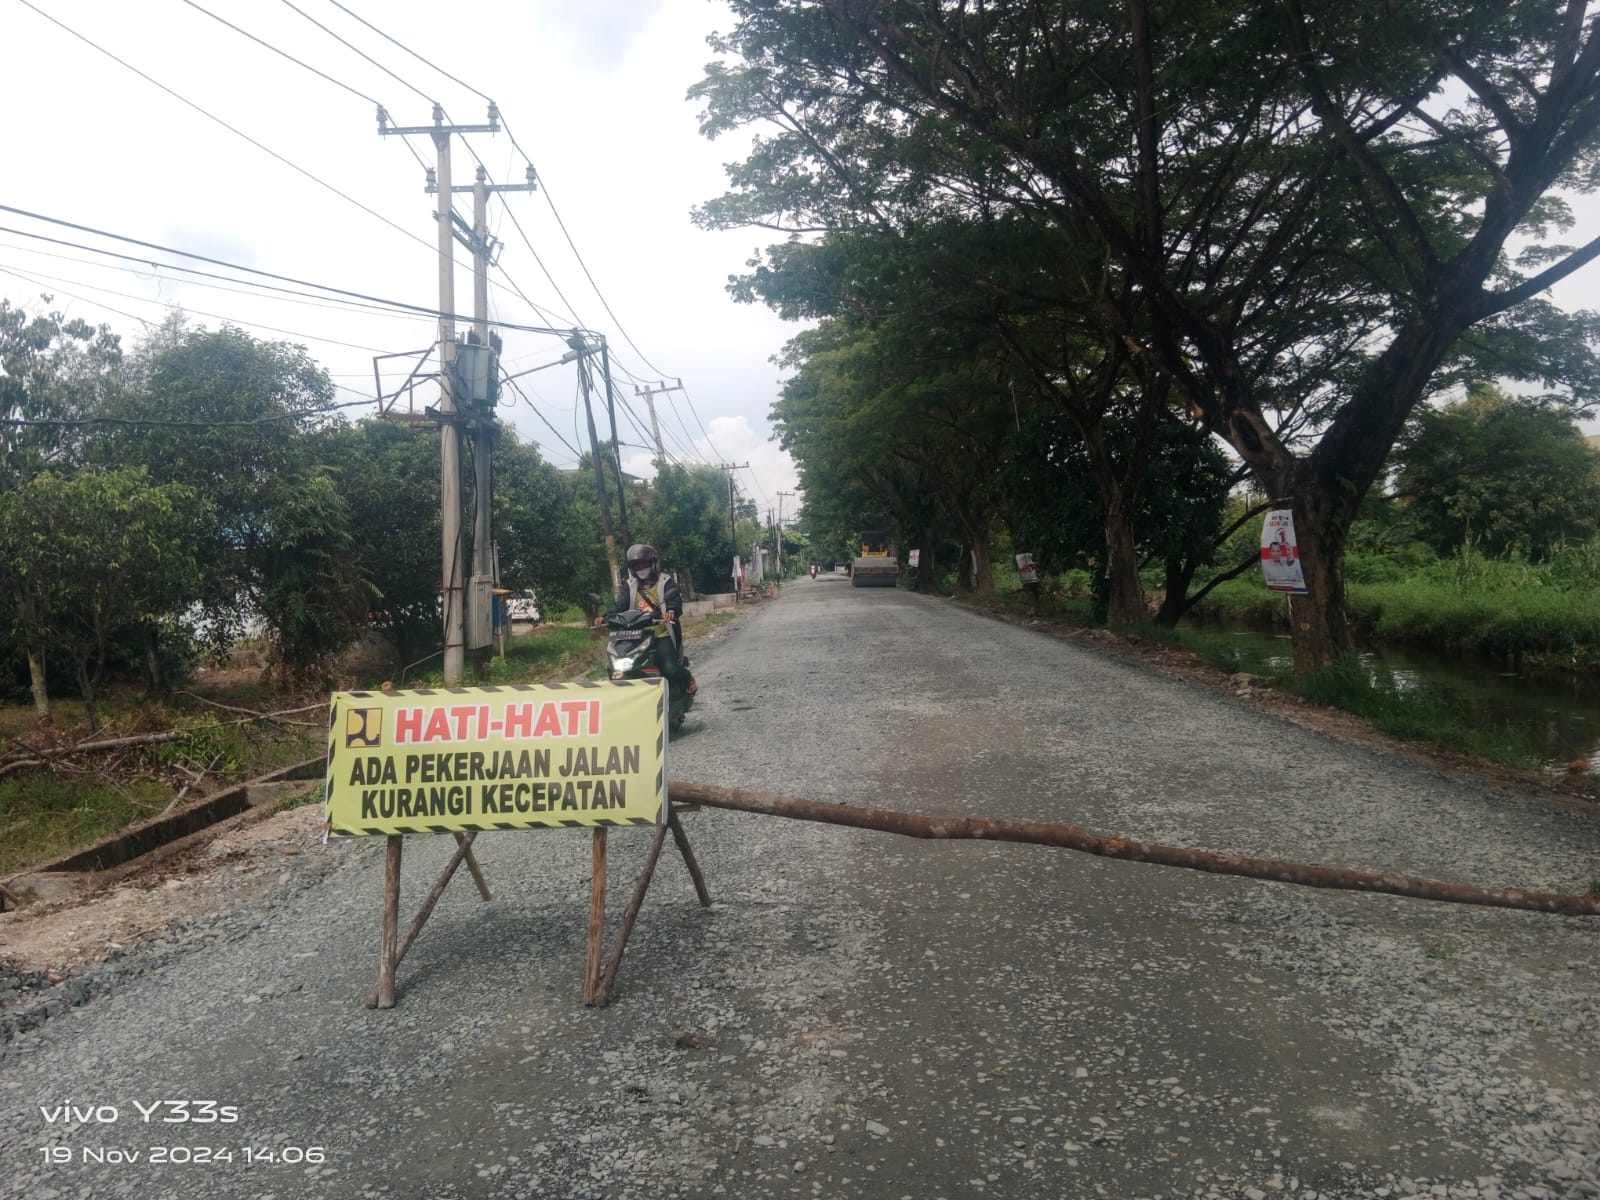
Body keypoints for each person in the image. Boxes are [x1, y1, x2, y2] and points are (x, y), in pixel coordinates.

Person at [596, 544, 695, 693]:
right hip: (636, 636)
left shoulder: (665, 581)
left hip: (661, 635)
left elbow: (674, 600)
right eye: (636, 565)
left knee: (669, 668)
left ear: (653, 563)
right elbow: (620, 605)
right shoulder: (630, 586)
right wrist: (605, 617)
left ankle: (687, 678)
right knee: (618, 669)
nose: (640, 567)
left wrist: (671, 611)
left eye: (644, 563)